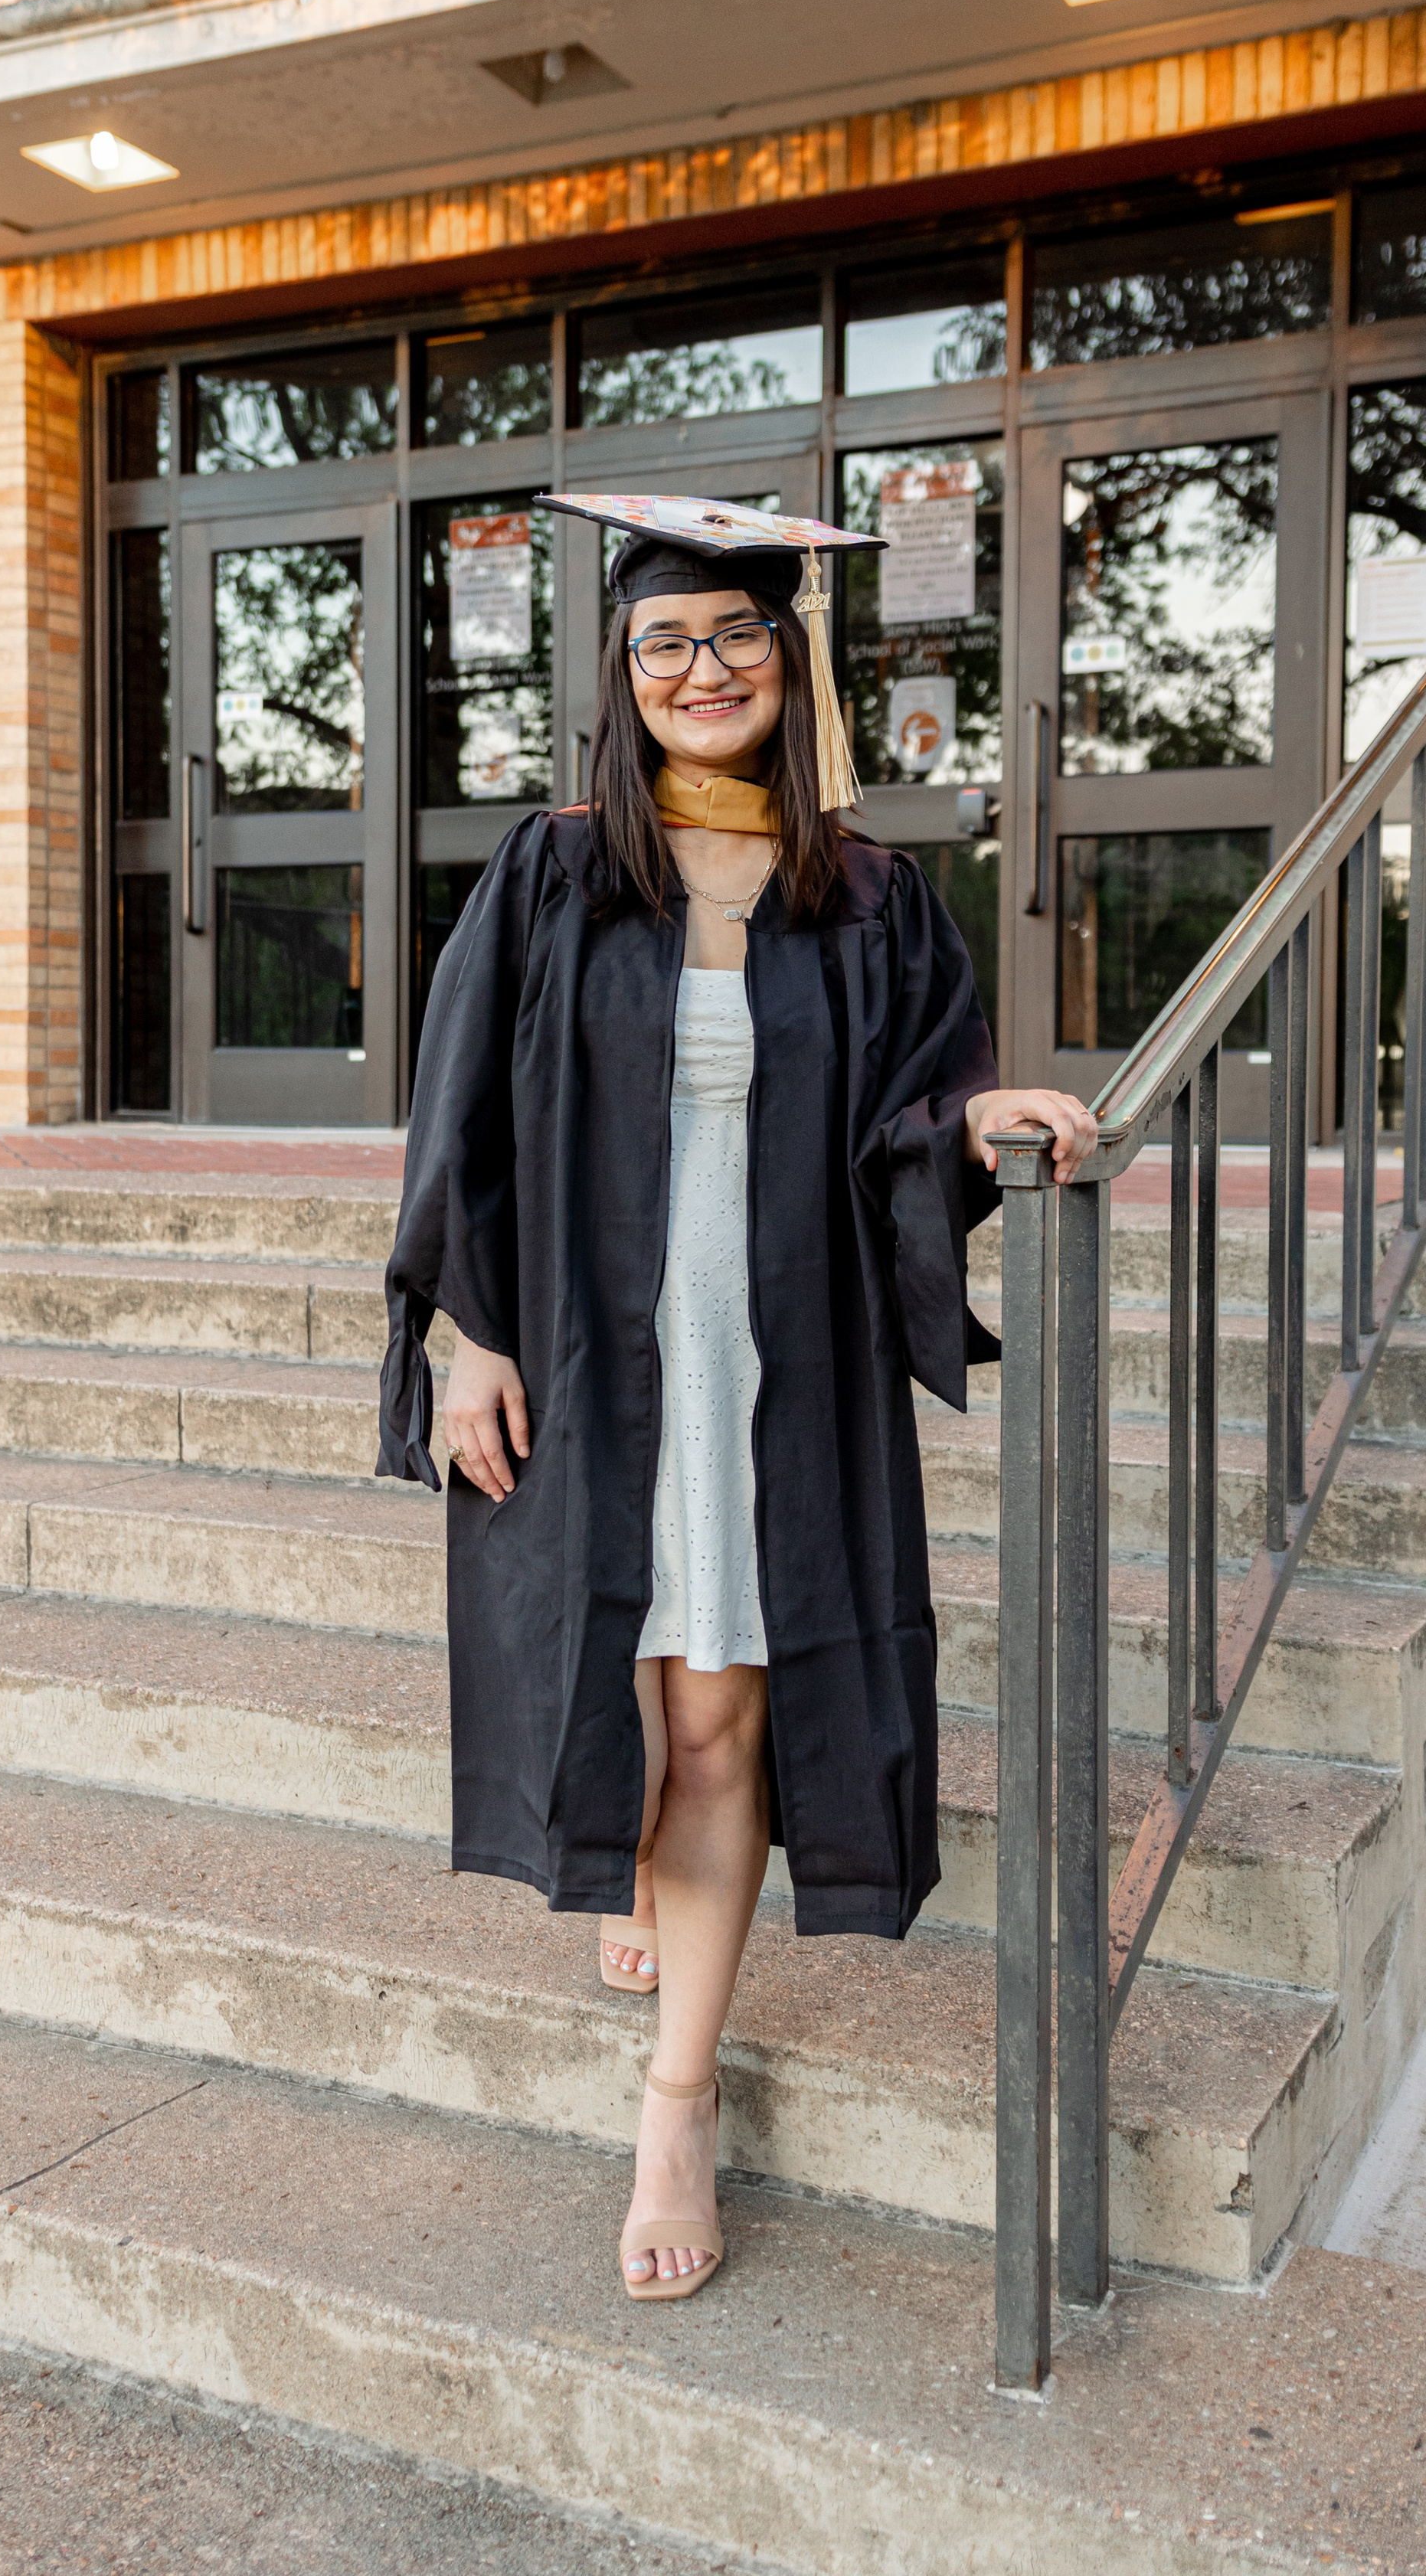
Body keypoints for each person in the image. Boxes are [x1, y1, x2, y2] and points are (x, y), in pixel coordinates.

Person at [377, 494, 1096, 2303]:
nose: (705, 669)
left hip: (768, 1366)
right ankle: (635, 1880)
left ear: (791, 661)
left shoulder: (865, 895)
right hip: (581, 1348)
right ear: (624, 678)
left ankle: (675, 2097)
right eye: (666, 644)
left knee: (718, 1723)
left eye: (737, 637)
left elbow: (911, 1116)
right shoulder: (551, 873)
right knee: (610, 1676)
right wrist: (465, 1334)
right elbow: (456, 1118)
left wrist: (982, 1123)